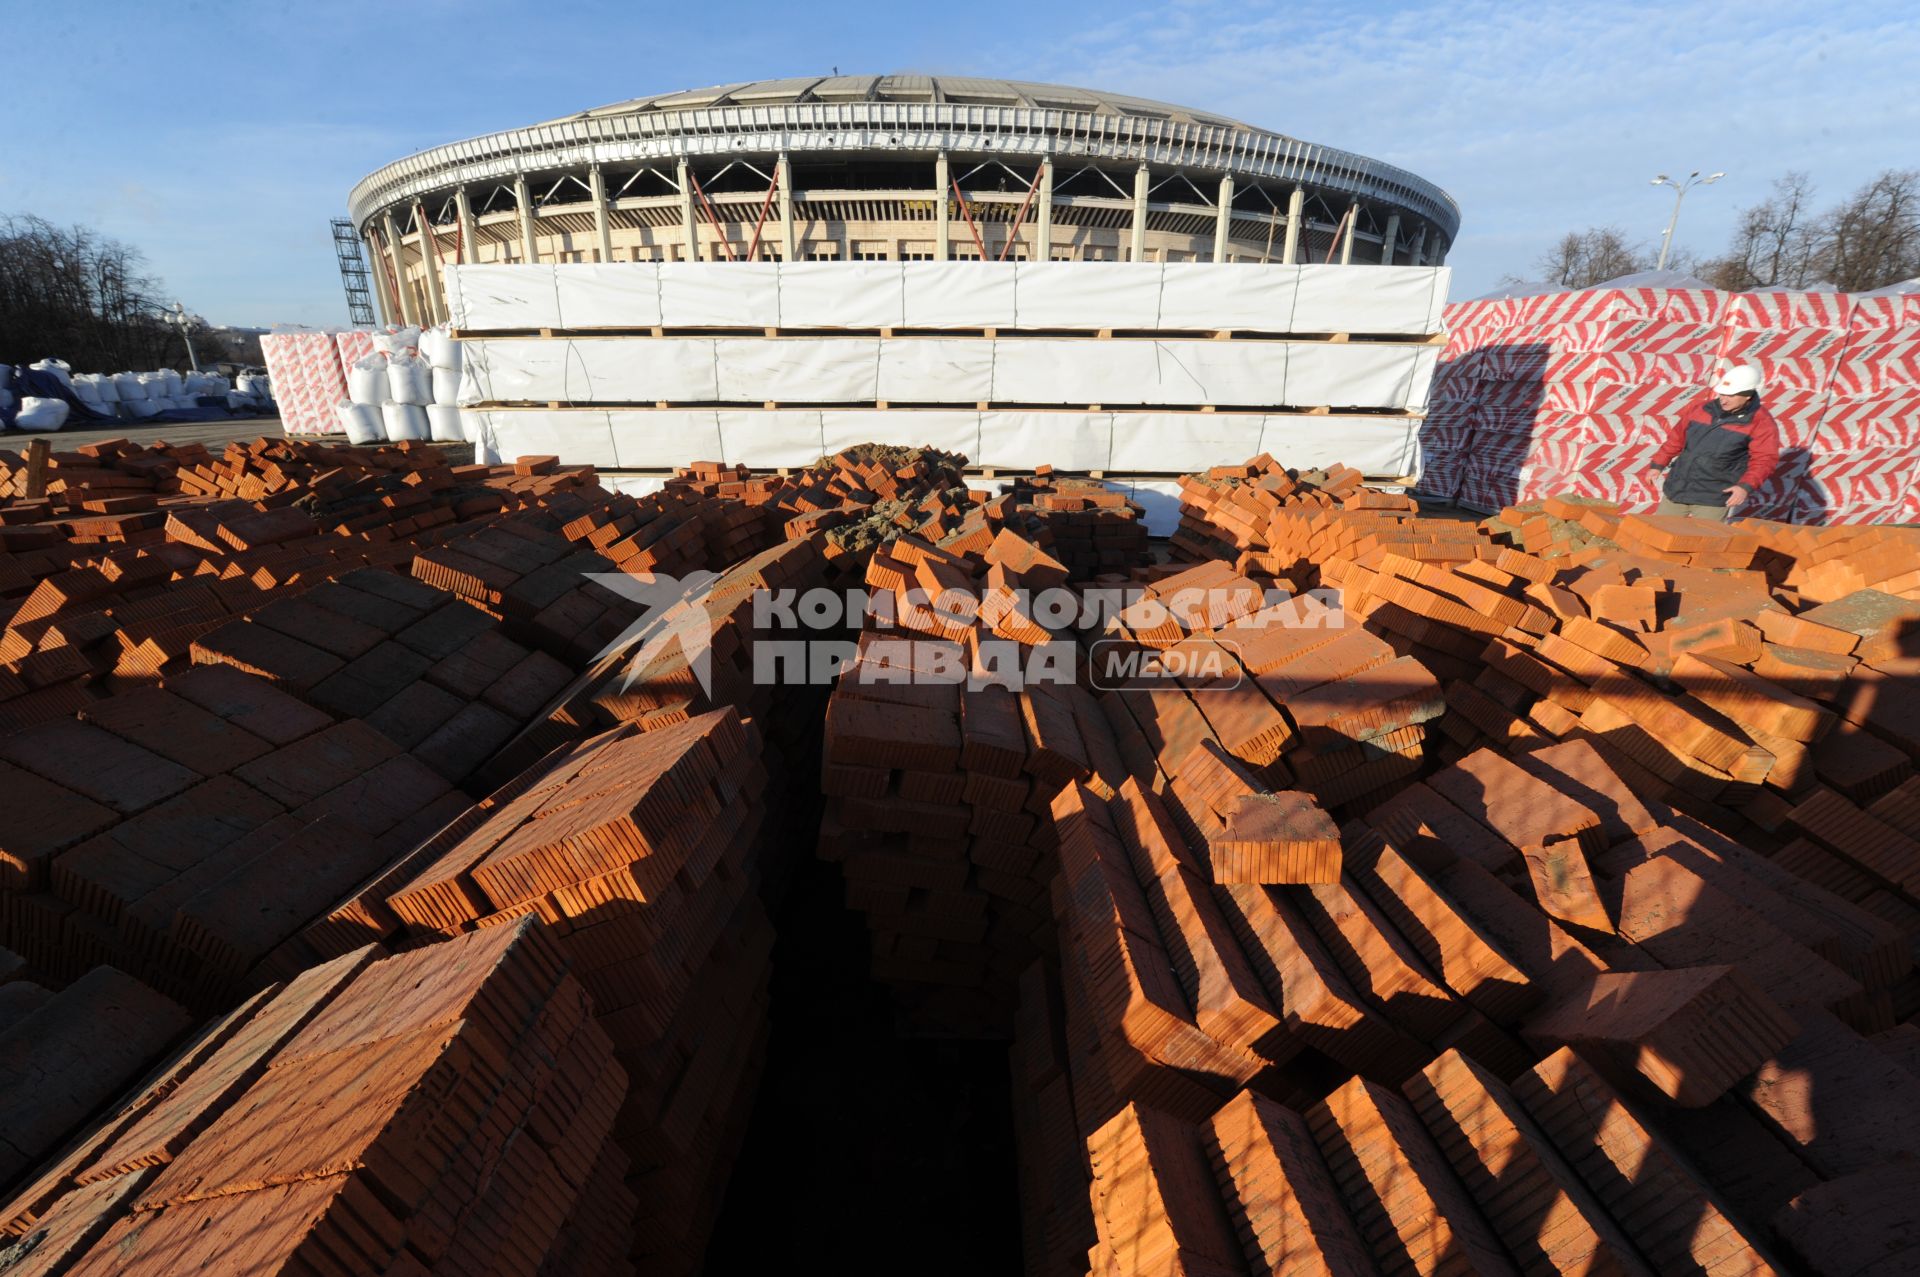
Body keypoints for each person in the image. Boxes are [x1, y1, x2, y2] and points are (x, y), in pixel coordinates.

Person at [1646, 363, 1779, 520]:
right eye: (1722, 394)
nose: (1723, 400)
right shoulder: (1699, 409)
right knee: (1659, 534)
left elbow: (1764, 460)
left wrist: (1744, 487)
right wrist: (1658, 465)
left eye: (1731, 395)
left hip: (1714, 495)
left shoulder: (1761, 422)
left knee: (1703, 541)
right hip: (1678, 487)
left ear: (1748, 395)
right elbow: (1676, 439)